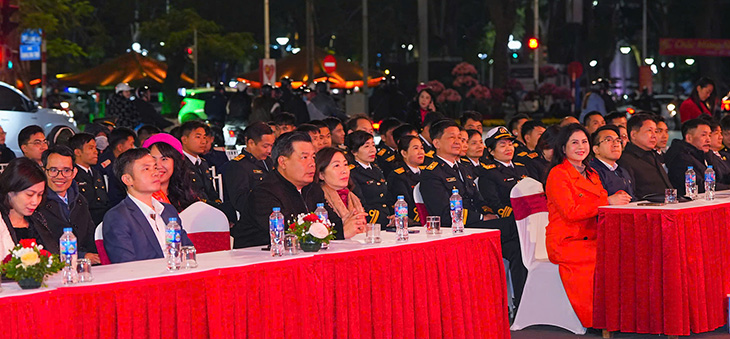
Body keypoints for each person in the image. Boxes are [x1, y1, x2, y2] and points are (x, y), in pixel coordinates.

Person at [420, 119, 526, 305]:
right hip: (458, 230)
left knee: (518, 247)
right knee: (517, 225)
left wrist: (487, 213)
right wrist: (482, 217)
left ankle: (522, 303)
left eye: (460, 139)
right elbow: (444, 214)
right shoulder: (432, 173)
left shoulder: (463, 168)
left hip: (478, 226)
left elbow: (479, 200)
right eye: (451, 137)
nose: (458, 142)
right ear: (436, 143)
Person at [545, 123, 630, 328]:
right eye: (574, 142)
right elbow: (571, 212)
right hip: (566, 242)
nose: (580, 146)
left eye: (584, 141)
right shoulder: (558, 174)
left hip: (593, 236)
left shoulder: (591, 173)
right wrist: (608, 201)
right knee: (603, 257)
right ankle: (598, 320)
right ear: (563, 148)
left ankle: (622, 315)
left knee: (627, 252)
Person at [233, 132, 324, 248]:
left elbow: (330, 224)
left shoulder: (314, 189)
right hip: (259, 259)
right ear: (283, 162)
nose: (312, 163)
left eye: (313, 157)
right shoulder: (264, 193)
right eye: (304, 157)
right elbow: (288, 233)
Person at [102, 148, 193, 263]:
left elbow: (187, 249)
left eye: (155, 167)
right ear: (128, 179)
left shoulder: (168, 210)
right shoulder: (118, 217)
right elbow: (126, 265)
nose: (156, 172)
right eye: (146, 169)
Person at [36, 146, 99, 262]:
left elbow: (91, 236)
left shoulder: (80, 200)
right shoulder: (36, 204)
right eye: (53, 170)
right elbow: (41, 246)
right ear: (44, 171)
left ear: (74, 172)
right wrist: (80, 256)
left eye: (66, 170)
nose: (60, 176)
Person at [223, 122, 275, 218]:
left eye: (271, 146)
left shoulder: (270, 162)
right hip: (254, 219)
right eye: (265, 146)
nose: (269, 150)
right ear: (251, 143)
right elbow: (240, 202)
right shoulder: (238, 166)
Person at [665, 118, 729, 196]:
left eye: (709, 135)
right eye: (703, 135)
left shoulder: (706, 154)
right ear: (689, 138)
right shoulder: (681, 158)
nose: (708, 139)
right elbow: (699, 185)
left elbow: (720, 177)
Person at [315, 147, 369, 239]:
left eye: (345, 164)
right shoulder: (318, 197)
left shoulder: (353, 196)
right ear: (321, 174)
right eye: (336, 166)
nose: (344, 170)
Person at [617, 114, 672, 200]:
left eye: (656, 131)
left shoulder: (653, 155)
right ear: (633, 135)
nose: (654, 136)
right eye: (649, 131)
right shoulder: (626, 160)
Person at [0, 158, 48, 252]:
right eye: (29, 194)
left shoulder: (38, 219)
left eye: (40, 194)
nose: (35, 201)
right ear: (11, 191)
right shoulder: (2, 225)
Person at [146, 136, 201, 212]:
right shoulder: (142, 199)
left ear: (175, 162)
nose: (158, 165)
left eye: (164, 159)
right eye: (153, 159)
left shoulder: (186, 195)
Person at [346, 131, 390, 227]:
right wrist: (386, 220)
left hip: (385, 218)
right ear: (354, 152)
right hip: (371, 222)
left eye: (373, 145)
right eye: (366, 146)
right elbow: (360, 204)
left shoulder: (376, 169)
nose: (372, 150)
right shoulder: (352, 173)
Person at [69, 133, 109, 225]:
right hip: (84, 222)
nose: (96, 152)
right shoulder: (72, 174)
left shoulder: (96, 173)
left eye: (95, 148)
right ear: (77, 152)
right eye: (91, 148)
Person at [589, 125, 635, 200]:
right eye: (608, 140)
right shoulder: (591, 171)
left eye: (618, 140)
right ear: (596, 149)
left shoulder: (623, 171)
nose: (616, 144)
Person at [387, 136, 425, 223]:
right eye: (416, 148)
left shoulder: (426, 173)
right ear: (404, 153)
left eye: (422, 148)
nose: (421, 152)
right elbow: (404, 204)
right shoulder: (398, 176)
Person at [179, 121, 219, 204]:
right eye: (198, 137)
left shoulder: (203, 163)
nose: (203, 142)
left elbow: (211, 192)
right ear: (184, 139)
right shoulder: (179, 163)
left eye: (204, 137)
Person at [98, 127, 137, 207]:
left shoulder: (122, 162)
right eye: (131, 144)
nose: (133, 147)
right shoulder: (106, 165)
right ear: (120, 147)